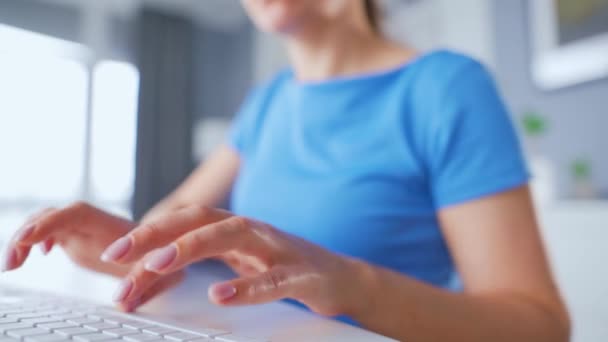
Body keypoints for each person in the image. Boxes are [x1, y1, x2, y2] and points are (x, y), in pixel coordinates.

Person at [4, 0, 570, 340]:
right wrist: (122, 246)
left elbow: (539, 327)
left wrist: (356, 286)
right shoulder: (269, 100)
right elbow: (167, 241)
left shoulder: (446, 87)